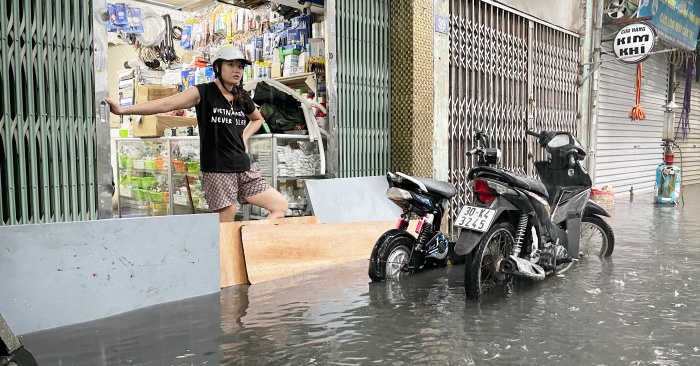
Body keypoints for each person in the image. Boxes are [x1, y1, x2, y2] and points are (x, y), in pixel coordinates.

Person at [106, 45, 288, 222]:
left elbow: (258, 119)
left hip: (242, 167)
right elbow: (165, 104)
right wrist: (123, 110)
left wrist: (244, 136)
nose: (237, 70)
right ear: (218, 67)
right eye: (231, 65)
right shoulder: (204, 92)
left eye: (240, 66)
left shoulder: (242, 96)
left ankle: (250, 246)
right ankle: (223, 253)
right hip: (218, 169)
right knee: (227, 218)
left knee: (279, 206)